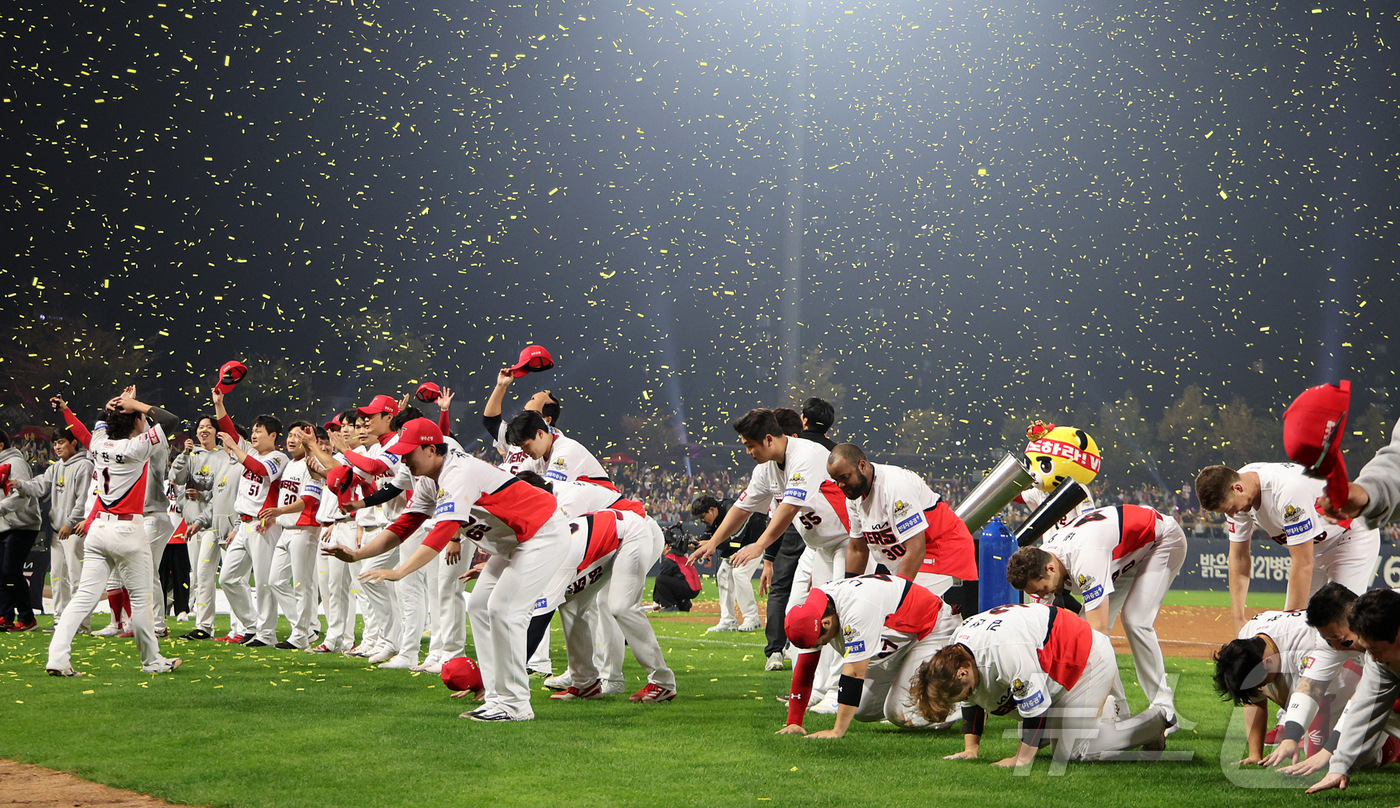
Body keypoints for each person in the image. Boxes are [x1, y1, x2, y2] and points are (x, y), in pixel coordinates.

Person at [325, 417, 569, 722]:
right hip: (513, 541)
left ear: (430, 449)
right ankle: (495, 697)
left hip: (542, 532)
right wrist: (359, 553)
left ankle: (516, 704)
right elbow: (406, 524)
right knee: (480, 606)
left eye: (408, 452)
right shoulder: (429, 477)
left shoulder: (457, 472)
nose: (403, 459)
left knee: (504, 611)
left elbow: (443, 532)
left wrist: (400, 571)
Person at [690, 408, 850, 700]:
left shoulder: (806, 454)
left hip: (848, 541)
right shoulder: (765, 469)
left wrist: (760, 545)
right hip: (820, 547)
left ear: (768, 439)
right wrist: (714, 541)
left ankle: (837, 692)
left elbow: (788, 509)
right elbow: (742, 508)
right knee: (808, 616)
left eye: (750, 445)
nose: (748, 451)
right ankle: (816, 689)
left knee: (836, 614)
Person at [913, 602, 1170, 767]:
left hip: (1085, 660)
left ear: (961, 672)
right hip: (1055, 666)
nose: (963, 698)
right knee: (1037, 731)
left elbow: (1035, 709)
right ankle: (1101, 712)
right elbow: (972, 699)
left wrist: (1021, 759)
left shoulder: (1005, 652)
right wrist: (971, 749)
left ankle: (1153, 723)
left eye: (960, 693)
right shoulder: (959, 650)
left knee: (1073, 752)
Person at [45, 386, 182, 676]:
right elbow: (171, 421)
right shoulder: (137, 446)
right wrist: (135, 403)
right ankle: (152, 661)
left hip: (98, 530)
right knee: (142, 600)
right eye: (140, 418)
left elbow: (84, 430)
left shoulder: (99, 442)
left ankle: (57, 658)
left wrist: (103, 407)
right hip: (128, 531)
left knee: (83, 597)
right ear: (135, 422)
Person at [1006, 504, 1187, 723]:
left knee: (1134, 620)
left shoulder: (1086, 558)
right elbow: (1040, 630)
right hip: (1125, 554)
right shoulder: (1046, 562)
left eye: (1042, 589)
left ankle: (1164, 710)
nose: (1043, 594)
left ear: (1051, 569)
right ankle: (1120, 711)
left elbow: (1098, 632)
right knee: (1084, 626)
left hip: (1161, 540)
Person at [1196, 463, 1381, 631]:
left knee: (1343, 623)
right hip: (1313, 549)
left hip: (1349, 536)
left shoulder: (1286, 491)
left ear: (1237, 488)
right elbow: (1239, 557)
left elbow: (1303, 563)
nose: (1231, 514)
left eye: (1230, 508)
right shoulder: (1239, 490)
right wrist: (1238, 620)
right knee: (1304, 625)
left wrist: (1290, 627)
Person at [778, 574, 959, 738]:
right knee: (862, 709)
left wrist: (837, 731)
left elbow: (855, 674)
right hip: (901, 641)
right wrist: (794, 722)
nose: (821, 645)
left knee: (900, 713)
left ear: (826, 622)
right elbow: (806, 669)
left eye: (820, 641)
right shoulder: (815, 612)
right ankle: (907, 692)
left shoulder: (856, 609)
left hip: (932, 629)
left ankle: (964, 702)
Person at [1282, 588, 1400, 792]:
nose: (1372, 658)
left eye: (1376, 650)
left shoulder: (1383, 621)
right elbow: (1366, 703)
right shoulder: (1375, 649)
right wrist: (1339, 766)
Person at [1212, 607, 1361, 766]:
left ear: (1267, 662)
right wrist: (1255, 754)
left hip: (1353, 674)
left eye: (1259, 684)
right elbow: (1254, 699)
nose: (1260, 688)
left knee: (1348, 755)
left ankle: (1384, 738)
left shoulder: (1304, 643)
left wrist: (1313, 762)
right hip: (1310, 672)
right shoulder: (1248, 639)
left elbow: (1319, 699)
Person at [827, 443, 978, 598]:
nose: (840, 485)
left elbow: (916, 548)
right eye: (836, 480)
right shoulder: (854, 496)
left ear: (862, 465)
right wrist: (848, 593)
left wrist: (898, 597)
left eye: (844, 477)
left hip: (939, 553)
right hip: (911, 558)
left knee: (901, 614)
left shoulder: (895, 485)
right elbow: (858, 549)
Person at [213, 386, 288, 647]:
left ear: (274, 436)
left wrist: (236, 447)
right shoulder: (252, 451)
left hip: (263, 525)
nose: (254, 434)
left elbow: (260, 470)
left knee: (265, 582)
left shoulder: (279, 457)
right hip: (243, 525)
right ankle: (253, 626)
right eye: (253, 430)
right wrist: (220, 404)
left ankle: (267, 634)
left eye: (260, 430)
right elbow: (231, 432)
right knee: (228, 578)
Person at [1, 424, 91, 631]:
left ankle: (82, 624)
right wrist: (20, 484)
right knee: (59, 577)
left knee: (77, 578)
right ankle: (60, 620)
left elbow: (83, 499)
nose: (57, 447)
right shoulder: (56, 467)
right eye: (55, 443)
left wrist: (70, 523)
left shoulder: (84, 466)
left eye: (61, 442)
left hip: (75, 529)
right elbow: (39, 485)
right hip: (58, 529)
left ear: (74, 443)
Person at [259, 422, 324, 650]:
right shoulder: (290, 465)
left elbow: (309, 499)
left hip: (304, 528)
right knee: (275, 581)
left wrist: (279, 511)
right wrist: (276, 516)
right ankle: (306, 628)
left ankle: (300, 635)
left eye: (298, 435)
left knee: (302, 585)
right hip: (287, 529)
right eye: (290, 435)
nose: (291, 439)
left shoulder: (312, 464)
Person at [170, 416, 231, 641]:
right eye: (200, 427)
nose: (203, 430)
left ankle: (206, 627)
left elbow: (222, 491)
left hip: (211, 525)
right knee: (196, 575)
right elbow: (174, 477)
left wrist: (202, 496)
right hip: (191, 525)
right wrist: (184, 455)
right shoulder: (192, 454)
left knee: (206, 574)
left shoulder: (224, 456)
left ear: (216, 432)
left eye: (208, 427)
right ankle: (203, 623)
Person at [691, 494, 765, 632]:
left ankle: (752, 618)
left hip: (755, 543)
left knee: (739, 572)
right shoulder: (715, 516)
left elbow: (734, 540)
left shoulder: (732, 509)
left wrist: (710, 543)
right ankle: (728, 620)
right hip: (739, 547)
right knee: (723, 574)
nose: (702, 521)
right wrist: (695, 544)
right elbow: (708, 537)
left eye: (702, 517)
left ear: (712, 510)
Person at [0, 429, 42, 631]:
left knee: (10, 570)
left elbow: (22, 495)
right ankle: (5, 616)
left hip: (23, 525)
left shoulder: (16, 464)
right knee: (2, 572)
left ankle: (27, 618)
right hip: (4, 525)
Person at [654, 526, 702, 611]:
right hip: (694, 588)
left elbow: (661, 579)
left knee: (660, 579)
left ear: (667, 546)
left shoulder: (670, 558)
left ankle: (669, 606)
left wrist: (657, 601)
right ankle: (683, 603)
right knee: (671, 580)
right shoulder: (680, 556)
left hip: (688, 587)